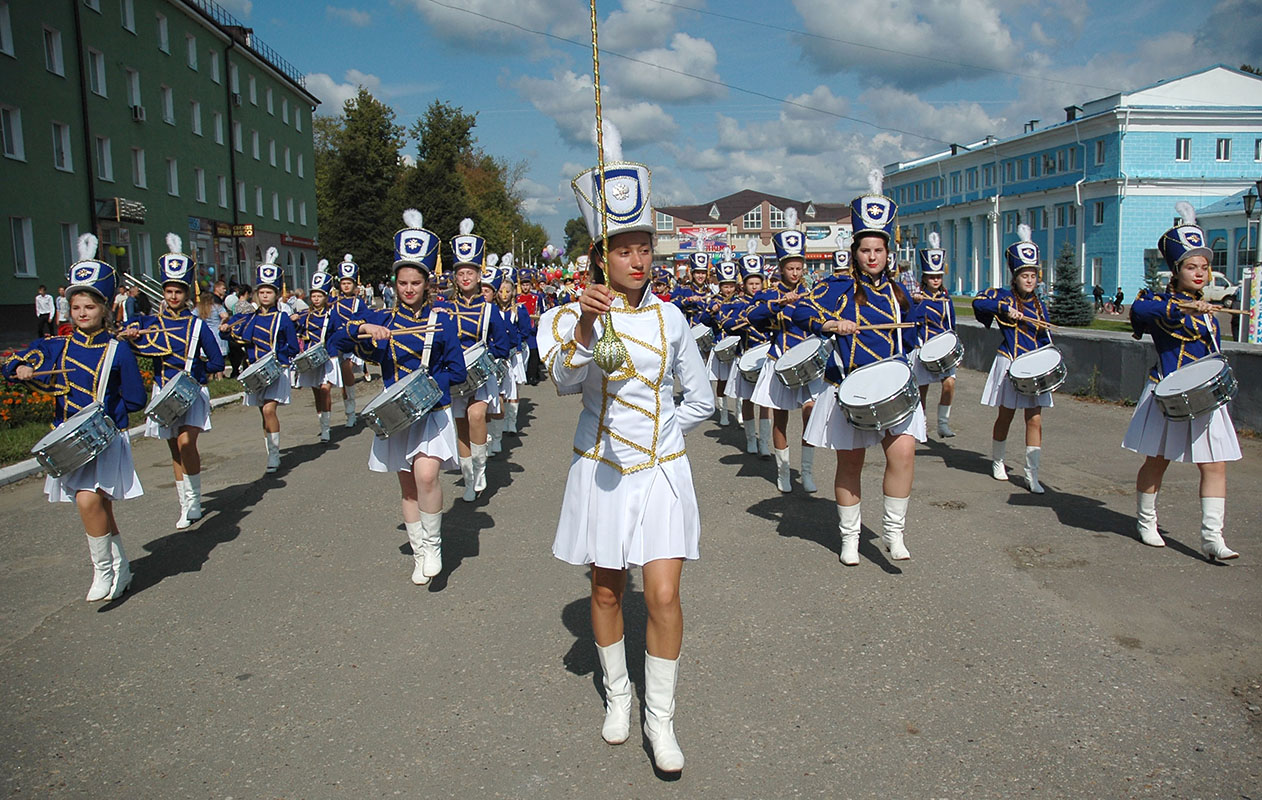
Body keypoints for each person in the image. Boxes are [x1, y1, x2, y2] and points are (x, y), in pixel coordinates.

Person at [540, 124, 712, 772]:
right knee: (608, 591)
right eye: (625, 249)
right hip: (602, 469)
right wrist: (585, 324)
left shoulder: (672, 320)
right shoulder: (574, 315)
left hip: (662, 472)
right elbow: (562, 382)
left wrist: (667, 438)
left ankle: (659, 721)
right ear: (600, 257)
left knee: (663, 595)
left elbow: (699, 398)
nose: (638, 260)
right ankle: (617, 695)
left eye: (645, 248)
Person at [3, 235, 146, 601]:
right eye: (76, 307)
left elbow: (134, 399)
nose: (82, 313)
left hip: (105, 438)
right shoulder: (55, 347)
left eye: (90, 307)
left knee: (87, 500)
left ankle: (101, 571)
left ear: (105, 309)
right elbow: (11, 362)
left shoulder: (119, 351)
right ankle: (122, 569)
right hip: (69, 440)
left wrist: (112, 413)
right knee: (99, 506)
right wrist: (20, 368)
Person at [795, 169, 924, 565]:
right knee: (851, 463)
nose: (872, 257)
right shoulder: (836, 288)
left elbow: (919, 332)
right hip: (851, 388)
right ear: (855, 252)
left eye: (879, 251)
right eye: (865, 250)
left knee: (903, 455)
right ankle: (850, 537)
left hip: (895, 386)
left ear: (888, 253)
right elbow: (802, 309)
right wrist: (831, 323)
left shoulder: (902, 292)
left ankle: (892, 533)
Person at [337, 209, 467, 585]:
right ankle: (419, 553)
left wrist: (429, 390)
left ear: (427, 284)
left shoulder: (441, 322)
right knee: (408, 485)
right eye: (403, 283)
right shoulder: (384, 321)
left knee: (427, 475)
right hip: (397, 417)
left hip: (432, 412)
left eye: (415, 282)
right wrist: (364, 328)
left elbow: (456, 372)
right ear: (394, 284)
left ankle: (435, 544)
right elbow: (338, 340)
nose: (409, 289)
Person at [1123, 202, 1241, 559]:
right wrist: (1181, 307)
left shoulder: (1209, 309)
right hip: (1168, 392)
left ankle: (1212, 539)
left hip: (1204, 396)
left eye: (1205, 267)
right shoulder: (1158, 300)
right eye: (1192, 266)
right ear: (1176, 270)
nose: (1201, 273)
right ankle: (1146, 521)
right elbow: (1138, 313)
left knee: (1214, 463)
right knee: (1157, 460)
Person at [119, 234, 225, 529]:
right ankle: (185, 504)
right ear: (163, 293)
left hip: (192, 392)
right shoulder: (151, 323)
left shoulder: (198, 325)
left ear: (186, 293)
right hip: (163, 391)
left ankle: (194, 502)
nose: (173, 296)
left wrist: (197, 368)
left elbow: (216, 361)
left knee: (186, 441)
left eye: (178, 290)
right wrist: (132, 332)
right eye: (168, 291)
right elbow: (130, 331)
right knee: (174, 449)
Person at [972, 224, 1053, 494]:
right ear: (1015, 277)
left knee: (1035, 419)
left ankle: (1032, 474)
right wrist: (1002, 309)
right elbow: (979, 303)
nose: (1029, 280)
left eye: (1033, 276)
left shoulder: (1040, 306)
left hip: (1035, 368)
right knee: (1005, 416)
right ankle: (998, 461)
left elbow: (1046, 338)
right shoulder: (1002, 296)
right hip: (1010, 362)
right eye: (1024, 275)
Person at [748, 208, 820, 493]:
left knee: (811, 412)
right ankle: (783, 472)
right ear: (781, 267)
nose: (795, 272)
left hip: (810, 362)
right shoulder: (769, 293)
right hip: (780, 359)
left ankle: (807, 472)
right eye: (790, 268)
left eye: (799, 267)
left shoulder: (813, 292)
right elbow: (753, 316)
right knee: (780, 417)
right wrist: (777, 304)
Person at [449, 219, 512, 502]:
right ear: (455, 277)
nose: (466, 278)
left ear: (479, 276)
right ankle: (468, 477)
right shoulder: (444, 309)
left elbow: (503, 344)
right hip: (454, 375)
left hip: (480, 375)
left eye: (470, 272)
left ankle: (480, 467)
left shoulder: (489, 309)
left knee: (476, 415)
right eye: (461, 273)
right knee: (461, 426)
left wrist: (488, 359)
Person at [223, 249, 299, 473]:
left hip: (276, 370)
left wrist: (280, 359)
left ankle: (275, 455)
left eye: (269, 292)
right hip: (255, 371)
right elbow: (236, 338)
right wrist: (226, 329)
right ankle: (270, 450)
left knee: (268, 411)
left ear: (276, 295)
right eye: (262, 292)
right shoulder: (250, 319)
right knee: (262, 413)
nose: (265, 295)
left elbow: (293, 347)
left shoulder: (282, 318)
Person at [721, 251, 773, 455]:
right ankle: (751, 439)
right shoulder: (737, 305)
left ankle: (765, 443)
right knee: (749, 400)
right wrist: (738, 323)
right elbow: (727, 324)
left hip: (767, 358)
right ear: (744, 285)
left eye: (757, 284)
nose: (754, 287)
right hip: (747, 356)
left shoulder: (770, 303)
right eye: (751, 284)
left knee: (767, 402)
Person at [910, 231, 958, 438]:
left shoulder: (946, 298)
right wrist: (917, 303)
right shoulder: (918, 298)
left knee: (949, 383)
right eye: (932, 276)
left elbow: (951, 323)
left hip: (944, 349)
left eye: (939, 276)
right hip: (924, 347)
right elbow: (913, 322)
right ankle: (922, 424)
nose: (936, 280)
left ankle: (943, 423)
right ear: (925, 277)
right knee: (922, 390)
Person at [291, 266, 342, 442]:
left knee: (325, 389)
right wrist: (294, 322)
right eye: (313, 296)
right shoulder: (305, 315)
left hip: (329, 356)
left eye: (319, 296)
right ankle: (322, 423)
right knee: (316, 392)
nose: (316, 299)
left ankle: (327, 428)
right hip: (312, 358)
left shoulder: (332, 315)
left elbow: (339, 333)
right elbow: (297, 333)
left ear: (326, 297)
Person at [329, 254, 370, 426]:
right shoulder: (334, 304)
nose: (346, 286)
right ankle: (349, 411)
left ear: (354, 285)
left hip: (354, 343)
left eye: (349, 283)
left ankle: (351, 410)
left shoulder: (358, 303)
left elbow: (364, 319)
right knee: (341, 381)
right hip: (339, 344)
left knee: (347, 370)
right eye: (343, 283)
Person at [704, 253, 741, 425]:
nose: (728, 289)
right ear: (720, 285)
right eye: (725, 286)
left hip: (737, 345)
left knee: (739, 380)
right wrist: (712, 311)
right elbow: (705, 320)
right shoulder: (713, 300)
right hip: (720, 344)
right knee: (722, 380)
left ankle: (740, 412)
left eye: (731, 286)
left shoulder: (740, 301)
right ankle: (723, 412)